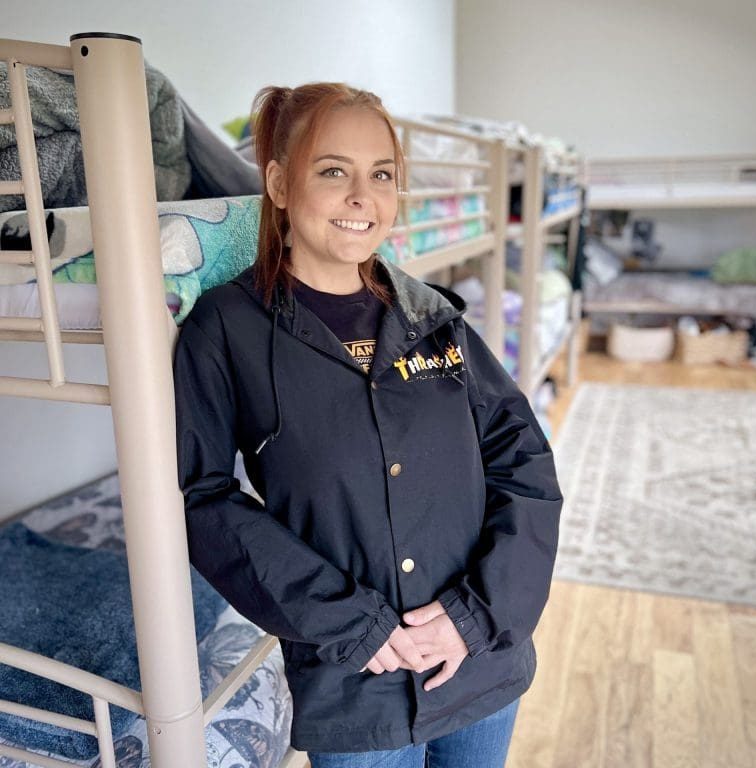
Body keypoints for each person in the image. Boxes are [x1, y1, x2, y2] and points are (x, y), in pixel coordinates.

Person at [173, 82, 562, 768]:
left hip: (483, 663)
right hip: (358, 681)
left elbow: (525, 464)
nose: (363, 197)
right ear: (279, 183)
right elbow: (202, 499)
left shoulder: (435, 320)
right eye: (333, 171)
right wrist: (351, 622)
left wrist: (474, 616)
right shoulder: (225, 330)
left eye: (381, 174)